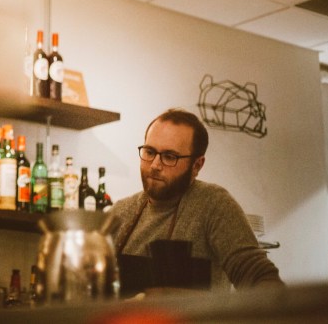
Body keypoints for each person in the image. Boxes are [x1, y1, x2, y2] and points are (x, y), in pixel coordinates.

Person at [111, 108, 283, 291]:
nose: (154, 165)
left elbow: (255, 273)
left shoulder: (213, 205)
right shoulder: (119, 213)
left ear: (197, 165)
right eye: (150, 152)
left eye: (170, 157)